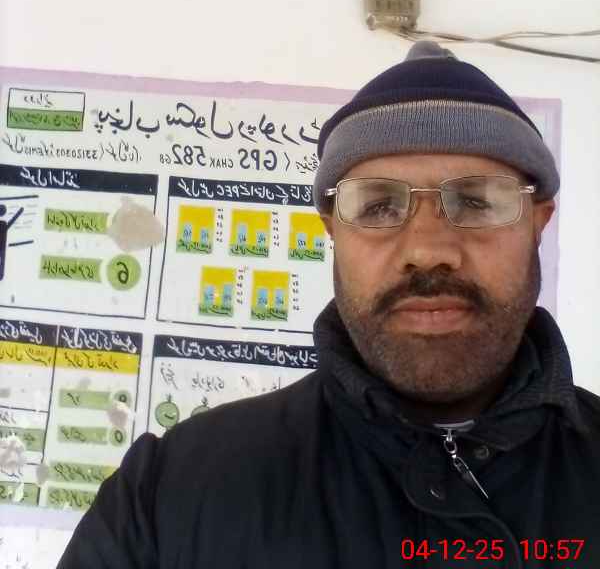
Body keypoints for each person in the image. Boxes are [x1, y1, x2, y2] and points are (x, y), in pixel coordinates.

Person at [58, 41, 600, 568]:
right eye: (379, 206)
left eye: (478, 202)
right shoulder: (170, 492)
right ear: (333, 230)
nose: (427, 249)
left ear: (538, 223)